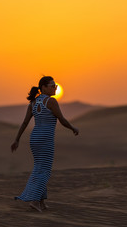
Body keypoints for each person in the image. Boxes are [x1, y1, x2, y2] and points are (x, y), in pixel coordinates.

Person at [11, 76, 79, 212]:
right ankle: (35, 201)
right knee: (45, 170)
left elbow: (25, 123)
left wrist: (17, 139)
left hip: (35, 139)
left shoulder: (33, 103)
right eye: (52, 86)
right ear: (43, 87)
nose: (55, 88)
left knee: (40, 168)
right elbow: (62, 119)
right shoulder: (51, 101)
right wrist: (73, 128)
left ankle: (41, 202)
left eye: (56, 86)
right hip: (45, 139)